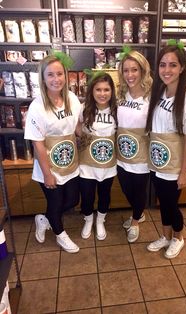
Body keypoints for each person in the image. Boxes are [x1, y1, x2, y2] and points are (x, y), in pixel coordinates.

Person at [146, 41, 186, 258]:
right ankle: (165, 235)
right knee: (163, 202)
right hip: (158, 161)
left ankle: (179, 237)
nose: (166, 70)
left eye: (172, 65)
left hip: (175, 165)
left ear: (182, 68)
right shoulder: (160, 92)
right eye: (162, 65)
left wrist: (183, 172)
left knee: (171, 204)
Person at [24, 53, 83, 253]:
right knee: (56, 202)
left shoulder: (72, 99)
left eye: (59, 74)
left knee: (73, 200)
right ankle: (60, 234)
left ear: (65, 76)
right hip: (48, 165)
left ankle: (44, 218)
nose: (56, 79)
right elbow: (38, 144)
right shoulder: (37, 106)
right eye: (50, 75)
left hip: (70, 162)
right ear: (43, 78)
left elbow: (77, 127)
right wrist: (47, 174)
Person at [116, 48, 153, 243]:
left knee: (138, 191)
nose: (130, 75)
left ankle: (136, 220)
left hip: (141, 156)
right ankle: (138, 212)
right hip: (121, 154)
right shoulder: (120, 94)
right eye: (126, 70)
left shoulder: (151, 97)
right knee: (126, 189)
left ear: (143, 71)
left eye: (134, 70)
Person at [78, 72, 117, 240]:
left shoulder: (117, 110)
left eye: (106, 89)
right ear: (92, 91)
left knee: (105, 194)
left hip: (108, 163)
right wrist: (86, 138)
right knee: (86, 195)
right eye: (98, 89)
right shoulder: (84, 107)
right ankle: (88, 220)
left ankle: (100, 220)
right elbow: (77, 127)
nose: (102, 94)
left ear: (112, 91)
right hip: (87, 164)